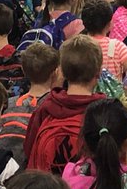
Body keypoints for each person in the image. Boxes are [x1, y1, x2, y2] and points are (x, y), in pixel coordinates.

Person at [24, 35, 106, 175]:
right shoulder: (105, 111)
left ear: (62, 72)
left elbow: (29, 150)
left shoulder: (46, 107)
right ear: (98, 72)